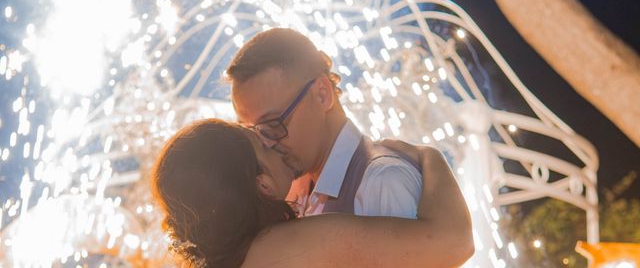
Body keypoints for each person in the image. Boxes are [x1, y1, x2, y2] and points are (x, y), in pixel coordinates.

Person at [151, 118, 474, 268]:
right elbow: (452, 242)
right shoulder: (292, 245)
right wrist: (429, 156)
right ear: (261, 184)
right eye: (262, 145)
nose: (274, 143)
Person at [226, 28, 423, 218]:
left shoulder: (382, 183)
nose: (265, 143)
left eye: (273, 124)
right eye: (252, 132)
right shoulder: (287, 186)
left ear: (322, 95)